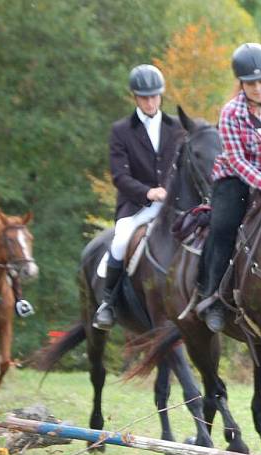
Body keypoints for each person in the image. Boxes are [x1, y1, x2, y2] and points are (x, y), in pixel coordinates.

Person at [196, 43, 261, 333]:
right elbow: (236, 160)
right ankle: (214, 298)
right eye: (251, 83)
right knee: (224, 226)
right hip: (234, 180)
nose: (258, 88)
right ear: (241, 84)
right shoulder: (231, 113)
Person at [93, 64, 185, 330]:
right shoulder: (121, 130)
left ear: (161, 95)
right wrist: (148, 192)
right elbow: (119, 177)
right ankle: (107, 303)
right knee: (120, 241)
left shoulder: (177, 127)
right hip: (136, 207)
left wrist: (171, 190)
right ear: (135, 97)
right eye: (144, 97)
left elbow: (184, 167)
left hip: (173, 206)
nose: (150, 102)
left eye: (154, 96)